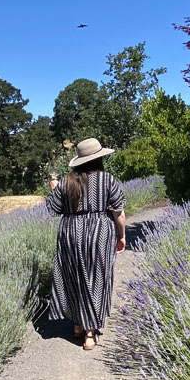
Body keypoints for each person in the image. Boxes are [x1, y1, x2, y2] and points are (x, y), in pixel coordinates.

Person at [46, 137, 126, 350]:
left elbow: (54, 209)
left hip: (70, 232)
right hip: (100, 231)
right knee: (97, 278)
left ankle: (79, 324)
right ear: (99, 159)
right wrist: (122, 236)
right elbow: (119, 213)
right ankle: (90, 334)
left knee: (75, 277)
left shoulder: (67, 181)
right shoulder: (107, 180)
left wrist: (54, 189)